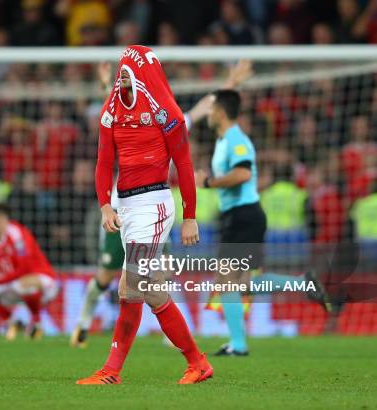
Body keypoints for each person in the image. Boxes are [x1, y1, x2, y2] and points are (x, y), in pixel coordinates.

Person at [70, 60, 254, 349]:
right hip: (121, 210)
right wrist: (107, 85)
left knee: (156, 273)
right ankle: (82, 324)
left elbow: (203, 107)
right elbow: (118, 106)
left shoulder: (167, 120)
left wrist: (231, 85)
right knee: (108, 275)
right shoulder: (122, 115)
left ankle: (172, 345)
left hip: (153, 208)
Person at [76, 45, 212, 386]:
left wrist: (190, 215)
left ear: (142, 76)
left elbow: (183, 163)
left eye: (128, 71)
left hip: (155, 205)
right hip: (126, 206)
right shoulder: (111, 107)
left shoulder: (166, 113)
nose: (123, 76)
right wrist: (105, 204)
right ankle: (197, 362)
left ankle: (111, 370)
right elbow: (104, 161)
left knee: (129, 286)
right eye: (121, 70)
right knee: (148, 291)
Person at [195, 90, 330, 356]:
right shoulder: (225, 140)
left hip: (243, 215)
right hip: (239, 216)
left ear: (220, 112)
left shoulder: (236, 139)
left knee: (226, 282)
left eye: (211, 110)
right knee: (242, 284)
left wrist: (209, 182)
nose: (208, 115)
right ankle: (304, 284)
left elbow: (244, 173)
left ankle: (239, 345)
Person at [0, 203, 58, 340]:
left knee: (25, 284)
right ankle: (9, 320)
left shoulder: (17, 234)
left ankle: (36, 322)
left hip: (42, 282)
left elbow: (25, 269)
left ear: (2, 220)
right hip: (10, 283)